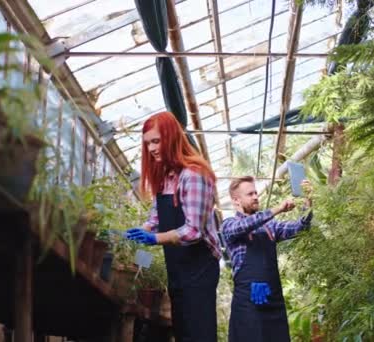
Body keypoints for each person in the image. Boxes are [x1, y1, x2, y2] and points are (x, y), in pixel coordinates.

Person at [125, 111, 221, 342]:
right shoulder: (166, 177)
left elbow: (194, 231)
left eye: (156, 141)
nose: (151, 149)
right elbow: (155, 220)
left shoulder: (194, 174)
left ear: (171, 138)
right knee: (184, 332)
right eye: (147, 143)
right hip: (178, 266)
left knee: (199, 333)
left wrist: (155, 239)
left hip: (199, 267)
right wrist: (131, 234)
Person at [222, 176, 313, 342]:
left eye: (256, 192)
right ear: (236, 201)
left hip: (274, 300)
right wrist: (278, 209)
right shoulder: (229, 224)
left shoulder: (270, 226)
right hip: (248, 305)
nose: (256, 196)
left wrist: (308, 202)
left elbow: (301, 227)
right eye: (250, 194)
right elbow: (244, 226)